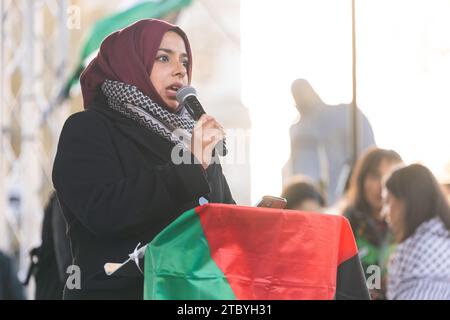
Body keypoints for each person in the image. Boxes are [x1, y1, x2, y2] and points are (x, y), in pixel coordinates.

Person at [52, 19, 234, 299]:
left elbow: (222, 226)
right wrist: (189, 166)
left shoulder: (192, 142)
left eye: (185, 62)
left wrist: (257, 221)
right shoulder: (88, 128)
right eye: (163, 58)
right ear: (130, 62)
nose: (180, 70)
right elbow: (103, 212)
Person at [287, 79, 376, 205]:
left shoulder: (346, 114)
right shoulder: (298, 131)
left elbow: (369, 157)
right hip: (314, 204)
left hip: (347, 201)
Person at [342, 147, 402, 300]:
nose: (382, 185)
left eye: (390, 176)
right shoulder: (344, 225)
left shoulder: (410, 229)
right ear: (361, 181)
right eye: (375, 176)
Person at [385, 164, 450, 300]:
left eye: (389, 201)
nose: (385, 212)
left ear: (405, 203)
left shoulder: (429, 252)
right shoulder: (437, 241)